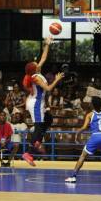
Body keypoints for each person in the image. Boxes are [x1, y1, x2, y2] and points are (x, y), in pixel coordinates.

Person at [21, 36, 64, 166]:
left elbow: (43, 58)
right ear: (34, 69)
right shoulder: (36, 78)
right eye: (35, 64)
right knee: (38, 127)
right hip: (35, 103)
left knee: (49, 119)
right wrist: (57, 79)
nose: (37, 63)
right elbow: (49, 88)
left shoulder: (36, 71)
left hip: (38, 102)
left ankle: (38, 141)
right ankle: (28, 152)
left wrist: (47, 44)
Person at [65, 97, 101, 183]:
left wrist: (77, 133)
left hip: (95, 136)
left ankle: (73, 176)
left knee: (83, 156)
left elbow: (84, 127)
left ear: (92, 105)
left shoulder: (90, 115)